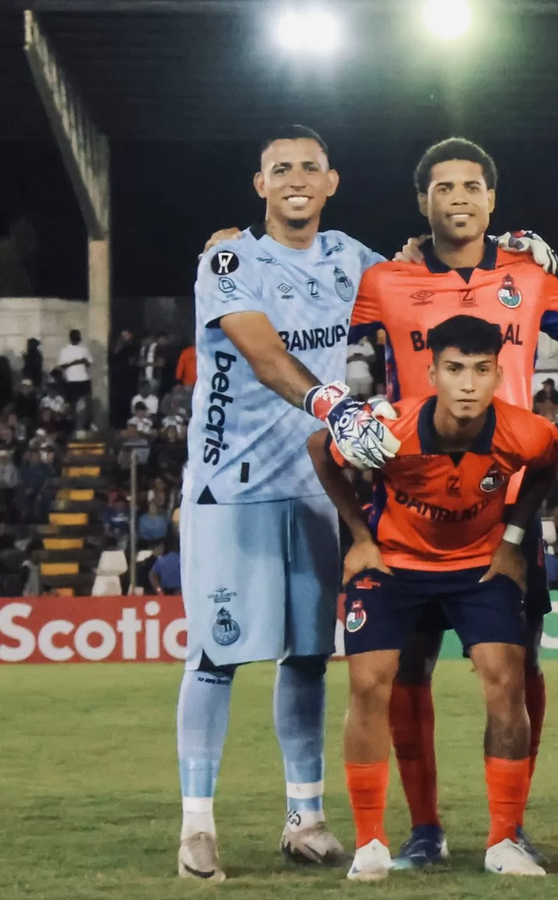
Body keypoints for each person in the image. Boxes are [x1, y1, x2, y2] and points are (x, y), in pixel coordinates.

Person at [345, 138, 558, 870]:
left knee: (519, 670)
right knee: (405, 672)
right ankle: (424, 829)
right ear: (423, 201)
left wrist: (556, 262)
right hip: (411, 500)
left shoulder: (528, 277)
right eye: (443, 187)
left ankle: (511, 827)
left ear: (491, 200)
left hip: (506, 507)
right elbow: (331, 338)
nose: (458, 199)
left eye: (472, 186)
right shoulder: (386, 280)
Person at [174, 125, 397, 882]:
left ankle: (306, 819)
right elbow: (266, 356)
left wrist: (510, 254)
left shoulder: (349, 258)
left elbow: (420, 287)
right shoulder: (229, 259)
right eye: (281, 169)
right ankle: (197, 828)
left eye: (309, 167)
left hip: (311, 486)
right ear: (260, 184)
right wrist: (336, 404)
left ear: (331, 182)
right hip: (228, 487)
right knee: (216, 657)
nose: (296, 178)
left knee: (307, 658)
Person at [308, 314, 558, 880]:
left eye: (481, 370)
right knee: (369, 682)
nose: (468, 384)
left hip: (478, 566)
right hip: (395, 565)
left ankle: (504, 841)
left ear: (499, 375)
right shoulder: (390, 430)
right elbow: (320, 448)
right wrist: (359, 537)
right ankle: (371, 844)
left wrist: (513, 539)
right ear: (432, 374)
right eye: (454, 369)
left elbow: (551, 463)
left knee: (506, 681)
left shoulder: (527, 432)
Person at [56, 330, 92, 408]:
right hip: (71, 380)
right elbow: (62, 366)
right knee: (72, 404)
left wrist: (83, 363)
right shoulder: (65, 350)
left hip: (84, 379)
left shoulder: (84, 349)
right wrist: (76, 362)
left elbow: (88, 363)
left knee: (87, 403)